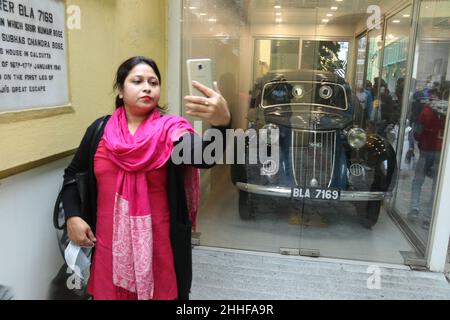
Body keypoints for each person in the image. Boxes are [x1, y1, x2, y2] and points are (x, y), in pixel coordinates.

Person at [62, 56, 231, 300]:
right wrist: (73, 216)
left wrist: (222, 123)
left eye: (153, 82)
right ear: (120, 90)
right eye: (137, 81)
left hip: (159, 249)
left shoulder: (170, 132)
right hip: (109, 248)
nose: (147, 87)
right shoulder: (99, 131)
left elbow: (206, 156)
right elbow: (71, 174)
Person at [408, 97, 446, 229]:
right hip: (442, 153)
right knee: (437, 186)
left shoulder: (427, 111)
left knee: (418, 181)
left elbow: (418, 133)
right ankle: (429, 217)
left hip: (426, 150)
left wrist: (419, 141)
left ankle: (414, 208)